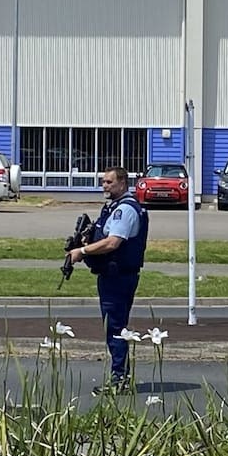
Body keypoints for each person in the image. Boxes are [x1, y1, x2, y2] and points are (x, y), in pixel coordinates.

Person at [66, 166, 149, 395]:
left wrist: (83, 251)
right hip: (111, 275)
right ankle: (120, 376)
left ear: (122, 183)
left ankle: (120, 379)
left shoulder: (126, 210)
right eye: (103, 182)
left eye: (109, 182)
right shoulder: (113, 208)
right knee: (113, 326)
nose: (104, 186)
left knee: (115, 327)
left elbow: (113, 243)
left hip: (119, 276)